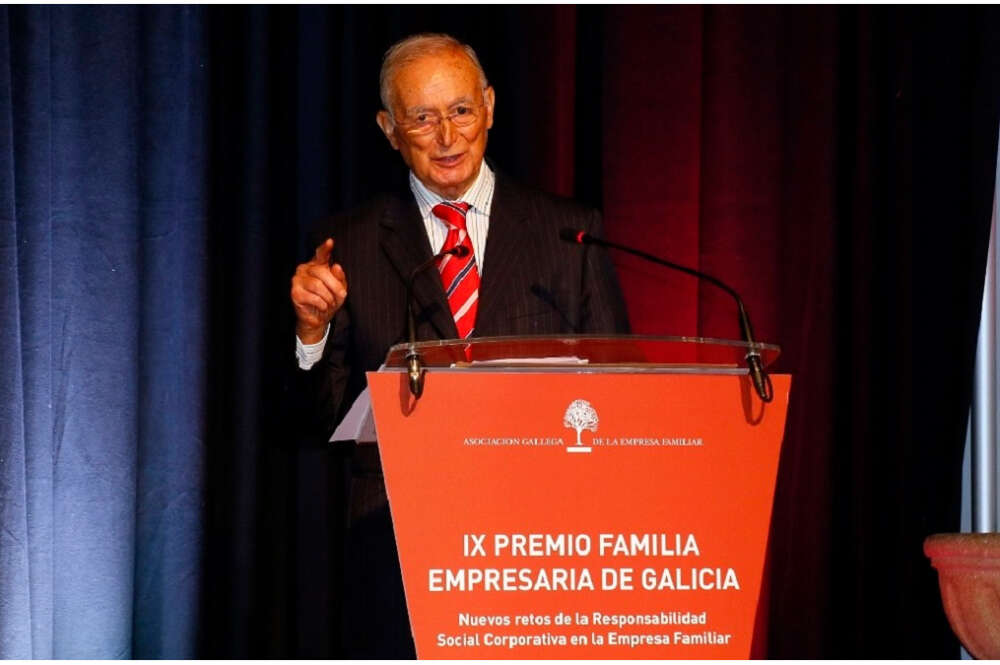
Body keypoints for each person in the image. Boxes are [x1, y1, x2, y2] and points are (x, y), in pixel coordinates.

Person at [288, 32, 629, 658]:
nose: (447, 136)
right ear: (390, 129)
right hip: (398, 548)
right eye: (422, 117)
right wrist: (312, 334)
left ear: (491, 107)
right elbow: (318, 420)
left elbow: (615, 398)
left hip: (538, 548)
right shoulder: (348, 245)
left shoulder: (569, 234)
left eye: (461, 111)